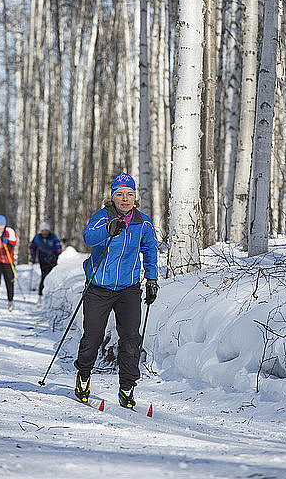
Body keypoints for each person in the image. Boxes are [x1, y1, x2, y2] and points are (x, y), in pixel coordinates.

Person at [74, 172, 159, 409]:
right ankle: (83, 377)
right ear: (112, 198)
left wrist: (151, 280)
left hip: (128, 289)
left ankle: (126, 388)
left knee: (131, 338)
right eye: (120, 194)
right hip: (98, 288)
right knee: (93, 336)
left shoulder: (143, 222)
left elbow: (150, 250)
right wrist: (108, 229)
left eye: (129, 194)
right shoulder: (101, 218)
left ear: (135, 197)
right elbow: (89, 237)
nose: (125, 199)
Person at [29, 222, 62, 306]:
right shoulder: (37, 237)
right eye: (43, 230)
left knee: (52, 277)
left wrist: (57, 255)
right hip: (43, 260)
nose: (44, 232)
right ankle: (40, 297)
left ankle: (51, 297)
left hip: (52, 260)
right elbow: (32, 247)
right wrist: (32, 256)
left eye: (46, 230)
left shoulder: (53, 237)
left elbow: (58, 247)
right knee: (44, 277)